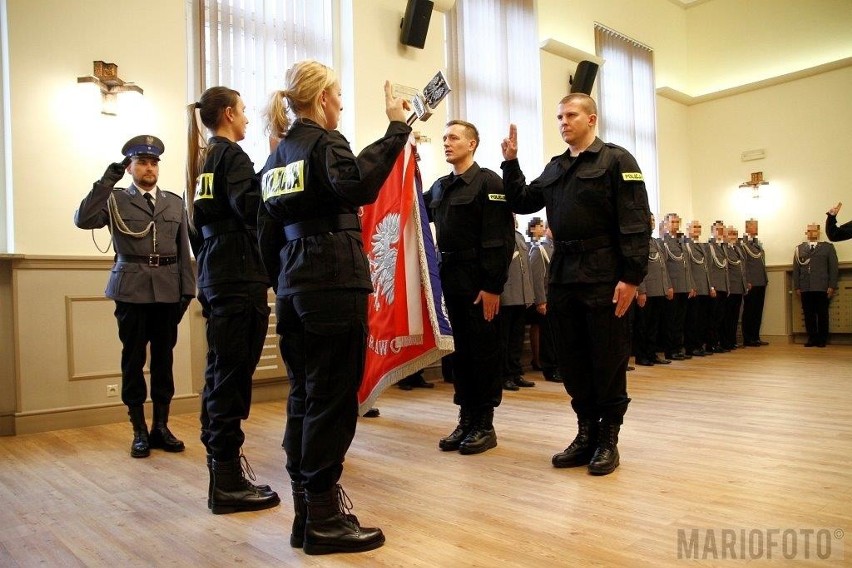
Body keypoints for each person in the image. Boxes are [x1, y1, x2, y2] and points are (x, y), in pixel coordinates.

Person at [258, 60, 410, 555]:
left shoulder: (278, 155)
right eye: (339, 97)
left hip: (294, 283)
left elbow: (266, 233)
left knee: (304, 394)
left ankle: (307, 514)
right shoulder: (324, 143)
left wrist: (282, 281)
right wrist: (396, 129)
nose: (341, 106)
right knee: (333, 398)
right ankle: (324, 519)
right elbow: (358, 185)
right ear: (322, 98)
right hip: (331, 280)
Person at [500, 93, 651, 476]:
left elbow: (634, 222)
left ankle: (608, 439)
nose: (563, 122)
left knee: (608, 356)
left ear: (592, 119)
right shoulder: (555, 168)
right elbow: (521, 200)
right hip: (564, 274)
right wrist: (511, 162)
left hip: (604, 273)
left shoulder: (617, 160)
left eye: (570, 115)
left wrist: (632, 276)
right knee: (573, 358)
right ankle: (585, 434)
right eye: (559, 117)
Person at [185, 86, 279, 514]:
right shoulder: (233, 157)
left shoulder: (207, 160)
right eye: (242, 111)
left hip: (217, 274)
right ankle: (225, 482)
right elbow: (254, 211)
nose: (246, 119)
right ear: (227, 113)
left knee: (220, 373)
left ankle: (224, 474)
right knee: (232, 378)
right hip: (239, 277)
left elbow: (197, 224)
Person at [74, 135, 195, 458]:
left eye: (153, 162)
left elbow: (184, 250)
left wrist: (187, 290)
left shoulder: (173, 201)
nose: (149, 168)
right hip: (131, 290)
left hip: (169, 290)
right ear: (130, 167)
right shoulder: (114, 199)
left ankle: (161, 427)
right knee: (133, 360)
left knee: (164, 362)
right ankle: (139, 430)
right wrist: (106, 180)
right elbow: (83, 219)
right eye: (142, 162)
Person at [425, 119, 513, 455]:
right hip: (449, 279)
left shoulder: (488, 181)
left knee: (483, 351)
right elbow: (416, 210)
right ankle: (465, 418)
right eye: (445, 137)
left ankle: (484, 423)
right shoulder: (441, 186)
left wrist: (492, 286)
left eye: (454, 137)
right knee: (459, 353)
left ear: (472, 144)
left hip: (479, 281)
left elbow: (500, 239)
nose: (446, 142)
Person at [499, 215, 536, 390]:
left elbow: (525, 269)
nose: (512, 219)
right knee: (504, 339)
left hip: (521, 297)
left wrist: (529, 295)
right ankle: (504, 375)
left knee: (517, 338)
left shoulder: (519, 236)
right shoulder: (499, 237)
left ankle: (515, 372)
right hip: (506, 296)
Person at [634, 214, 673, 366]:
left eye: (652, 221)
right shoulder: (638, 242)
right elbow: (638, 268)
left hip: (659, 290)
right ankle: (641, 355)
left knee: (654, 325)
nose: (651, 223)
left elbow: (663, 267)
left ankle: (652, 353)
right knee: (643, 326)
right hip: (647, 291)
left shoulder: (655, 242)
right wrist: (641, 290)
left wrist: (667, 286)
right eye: (648, 220)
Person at [792, 223, 839, 347]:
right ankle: (812, 338)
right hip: (805, 286)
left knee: (822, 313)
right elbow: (796, 269)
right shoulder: (799, 249)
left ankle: (822, 339)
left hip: (822, 286)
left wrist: (832, 285)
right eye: (809, 230)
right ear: (806, 233)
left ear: (819, 232)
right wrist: (797, 286)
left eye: (814, 230)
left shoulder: (827, 248)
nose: (812, 233)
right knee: (808, 314)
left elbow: (833, 268)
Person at [659, 213, 693, 361]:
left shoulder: (680, 241)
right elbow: (664, 266)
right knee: (671, 321)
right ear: (666, 224)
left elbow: (687, 266)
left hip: (684, 286)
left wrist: (691, 285)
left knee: (680, 320)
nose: (675, 224)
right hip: (673, 286)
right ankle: (670, 350)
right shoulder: (663, 242)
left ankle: (678, 348)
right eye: (672, 222)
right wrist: (668, 286)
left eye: (677, 222)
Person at [529, 223, 560, 381]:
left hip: (558, 299)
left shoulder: (558, 247)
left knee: (557, 335)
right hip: (547, 300)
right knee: (548, 336)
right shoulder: (540, 248)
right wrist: (541, 301)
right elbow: (537, 278)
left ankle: (558, 365)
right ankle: (550, 368)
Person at [683, 220, 712, 357]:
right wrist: (691, 285)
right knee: (692, 320)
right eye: (694, 227)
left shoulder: (701, 246)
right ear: (688, 229)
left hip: (704, 287)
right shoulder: (685, 245)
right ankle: (691, 346)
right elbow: (687, 267)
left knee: (702, 319)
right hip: (694, 287)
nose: (697, 229)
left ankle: (699, 345)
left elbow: (706, 268)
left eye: (699, 227)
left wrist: (710, 286)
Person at [739, 218, 769, 346]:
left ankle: (755, 336)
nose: (755, 229)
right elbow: (743, 264)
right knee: (749, 311)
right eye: (753, 226)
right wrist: (747, 280)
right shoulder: (742, 244)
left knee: (758, 310)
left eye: (756, 226)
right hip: (751, 282)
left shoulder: (757, 244)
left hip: (761, 281)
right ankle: (748, 338)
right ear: (747, 228)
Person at [703, 221, 730, 353]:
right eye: (718, 229)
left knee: (720, 317)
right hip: (715, 287)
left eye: (722, 229)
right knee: (712, 318)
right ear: (712, 231)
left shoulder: (723, 247)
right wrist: (711, 286)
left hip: (723, 286)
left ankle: (717, 342)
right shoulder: (709, 247)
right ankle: (710, 343)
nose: (720, 232)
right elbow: (707, 267)